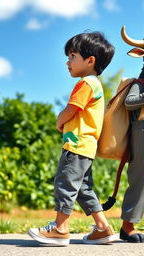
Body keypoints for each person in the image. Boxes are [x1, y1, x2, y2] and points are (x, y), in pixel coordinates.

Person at [28, 31, 116, 245]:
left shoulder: (86, 83)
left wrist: (60, 120)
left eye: (72, 57)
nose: (68, 62)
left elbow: (72, 109)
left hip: (76, 145)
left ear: (90, 60)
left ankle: (60, 229)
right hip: (86, 146)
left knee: (65, 184)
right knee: (84, 189)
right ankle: (103, 228)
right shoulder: (95, 85)